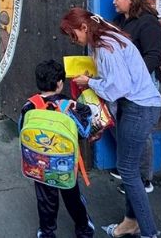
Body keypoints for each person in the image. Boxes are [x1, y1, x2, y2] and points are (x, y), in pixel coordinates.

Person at [63, 8, 161, 238]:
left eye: (72, 33)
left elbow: (119, 87)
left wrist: (89, 81)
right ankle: (131, 222)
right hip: (135, 106)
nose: (72, 39)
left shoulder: (105, 47)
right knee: (130, 169)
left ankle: (148, 232)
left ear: (84, 27)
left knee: (128, 169)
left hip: (139, 108)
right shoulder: (107, 38)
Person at [19, 59, 95, 238]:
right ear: (60, 83)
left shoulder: (29, 106)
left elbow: (23, 135)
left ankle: (47, 233)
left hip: (39, 165)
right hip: (66, 165)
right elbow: (84, 131)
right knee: (72, 197)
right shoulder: (67, 105)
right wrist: (84, 110)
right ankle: (83, 229)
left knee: (45, 199)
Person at [111, 0, 161, 192]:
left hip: (144, 84)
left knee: (141, 132)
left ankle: (143, 178)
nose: (114, 2)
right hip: (124, 83)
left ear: (130, 0)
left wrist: (133, 75)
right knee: (123, 126)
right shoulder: (119, 21)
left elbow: (155, 56)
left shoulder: (148, 23)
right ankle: (127, 167)